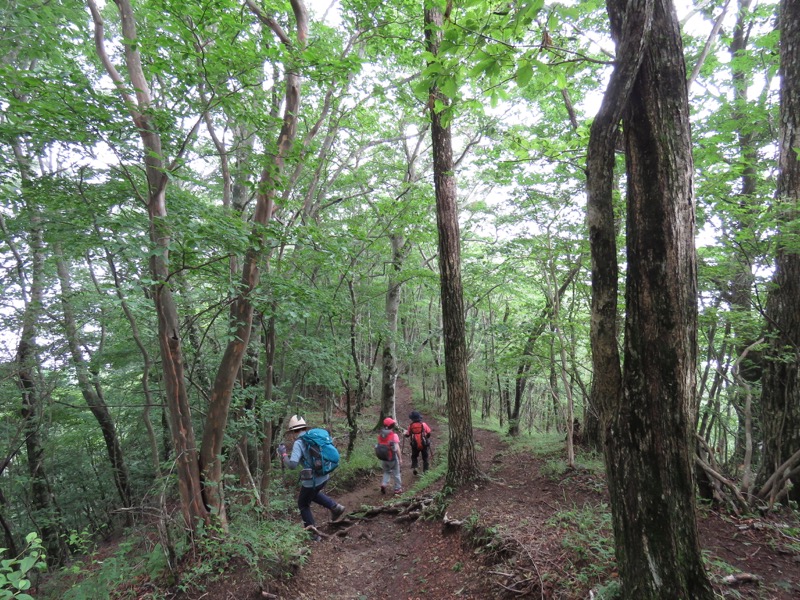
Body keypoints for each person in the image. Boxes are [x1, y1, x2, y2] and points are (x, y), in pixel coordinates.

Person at [277, 415, 346, 538]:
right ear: (304, 427)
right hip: (324, 475)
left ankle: (314, 534)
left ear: (293, 431)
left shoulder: (299, 442)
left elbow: (292, 465)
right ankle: (335, 507)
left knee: (303, 504)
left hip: (313, 480)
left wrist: (283, 454)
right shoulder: (314, 438)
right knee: (312, 494)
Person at [377, 417, 402, 495]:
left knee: (386, 472)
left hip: (384, 458)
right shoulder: (393, 435)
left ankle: (384, 484)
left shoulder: (381, 434)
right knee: (396, 473)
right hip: (392, 458)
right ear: (392, 426)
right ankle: (397, 489)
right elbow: (397, 448)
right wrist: (400, 458)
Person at [404, 410, 432, 475]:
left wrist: (405, 433)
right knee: (425, 457)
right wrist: (426, 438)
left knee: (414, 456)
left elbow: (407, 435)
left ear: (412, 419)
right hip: (424, 444)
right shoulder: (424, 424)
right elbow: (429, 433)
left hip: (415, 444)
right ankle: (426, 471)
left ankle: (415, 467)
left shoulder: (410, 426)